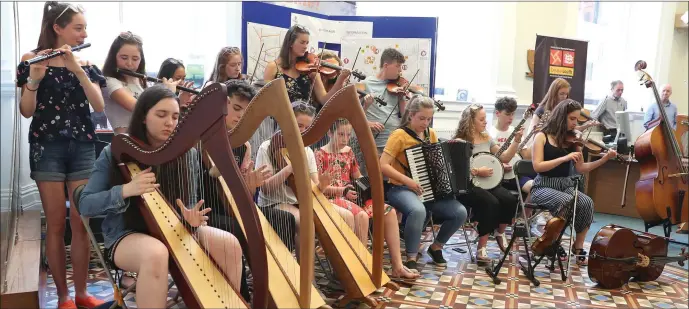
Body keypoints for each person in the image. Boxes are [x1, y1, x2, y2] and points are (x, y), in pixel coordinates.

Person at [79, 85, 245, 308]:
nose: (170, 122)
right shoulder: (114, 152)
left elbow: (189, 203)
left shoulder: (188, 153)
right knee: (155, 252)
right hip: (125, 235)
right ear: (144, 117)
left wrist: (190, 218)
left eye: (175, 117)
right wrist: (126, 190)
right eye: (161, 114)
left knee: (229, 244)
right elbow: (86, 205)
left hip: (177, 230)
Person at [16, 2, 106, 308]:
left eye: (84, 28)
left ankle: (81, 293)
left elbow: (99, 106)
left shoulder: (85, 62)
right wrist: (34, 80)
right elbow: (26, 111)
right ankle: (64, 296)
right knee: (56, 223)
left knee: (81, 221)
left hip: (82, 146)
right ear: (58, 28)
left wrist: (77, 69)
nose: (84, 33)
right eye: (78, 27)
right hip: (47, 147)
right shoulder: (31, 59)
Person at [315, 119, 421, 280]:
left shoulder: (348, 151)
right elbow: (318, 187)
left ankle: (397, 266)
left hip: (352, 196)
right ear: (330, 133)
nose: (345, 138)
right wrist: (343, 191)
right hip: (332, 198)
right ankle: (360, 264)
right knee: (362, 215)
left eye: (348, 135)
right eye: (341, 134)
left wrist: (367, 187)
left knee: (388, 211)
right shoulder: (320, 154)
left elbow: (357, 176)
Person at [380, 96, 467, 271]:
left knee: (460, 212)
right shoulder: (399, 135)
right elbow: (382, 165)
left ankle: (436, 248)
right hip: (399, 188)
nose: (425, 123)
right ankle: (411, 257)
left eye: (428, 119)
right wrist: (409, 181)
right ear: (410, 115)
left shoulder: (431, 134)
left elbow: (435, 160)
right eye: (421, 118)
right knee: (418, 210)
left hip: (428, 190)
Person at [530, 99, 617, 266]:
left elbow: (582, 168)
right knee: (566, 202)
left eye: (577, 119)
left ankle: (577, 247)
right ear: (561, 117)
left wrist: (605, 158)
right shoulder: (541, 136)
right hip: (543, 186)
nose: (575, 123)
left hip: (566, 185)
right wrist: (564, 158)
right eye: (572, 119)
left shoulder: (573, 139)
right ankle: (553, 243)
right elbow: (538, 166)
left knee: (586, 203)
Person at [254, 101, 338, 255]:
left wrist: (322, 186)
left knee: (343, 215)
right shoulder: (267, 147)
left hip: (301, 203)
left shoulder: (307, 150)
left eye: (307, 128)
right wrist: (290, 168)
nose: (303, 131)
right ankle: (306, 276)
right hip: (274, 203)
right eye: (299, 126)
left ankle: (339, 272)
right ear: (287, 122)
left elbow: (313, 188)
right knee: (305, 222)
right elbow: (265, 188)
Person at [453, 104, 521, 264]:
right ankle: (481, 248)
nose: (485, 122)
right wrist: (476, 171)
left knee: (511, 199)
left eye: (485, 119)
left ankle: (500, 233)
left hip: (489, 183)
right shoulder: (460, 141)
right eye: (481, 119)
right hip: (469, 186)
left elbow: (503, 157)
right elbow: (457, 169)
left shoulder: (486, 137)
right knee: (491, 203)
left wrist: (516, 142)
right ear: (470, 121)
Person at [263, 24, 351, 110]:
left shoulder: (310, 69)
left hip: (306, 120)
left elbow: (324, 100)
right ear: (290, 43)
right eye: (302, 42)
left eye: (307, 43)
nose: (305, 46)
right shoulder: (273, 67)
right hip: (281, 119)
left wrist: (341, 79)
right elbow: (264, 98)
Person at [488, 97, 535, 225]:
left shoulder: (515, 131)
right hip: (497, 177)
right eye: (507, 114)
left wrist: (537, 138)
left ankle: (522, 219)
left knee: (535, 187)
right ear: (498, 113)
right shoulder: (490, 134)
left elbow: (525, 155)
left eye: (513, 114)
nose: (511, 118)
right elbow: (487, 159)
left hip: (515, 175)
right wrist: (501, 165)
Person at [523, 78, 596, 159]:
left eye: (566, 94)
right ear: (554, 93)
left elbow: (569, 129)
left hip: (559, 146)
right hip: (545, 147)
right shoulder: (541, 110)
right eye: (561, 94)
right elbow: (532, 134)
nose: (564, 97)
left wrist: (585, 126)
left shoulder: (565, 110)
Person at [101, 31, 147, 135]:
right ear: (114, 57)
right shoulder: (109, 81)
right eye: (124, 58)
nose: (129, 63)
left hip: (144, 139)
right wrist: (167, 92)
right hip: (125, 142)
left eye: (135, 59)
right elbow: (138, 108)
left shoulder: (140, 80)